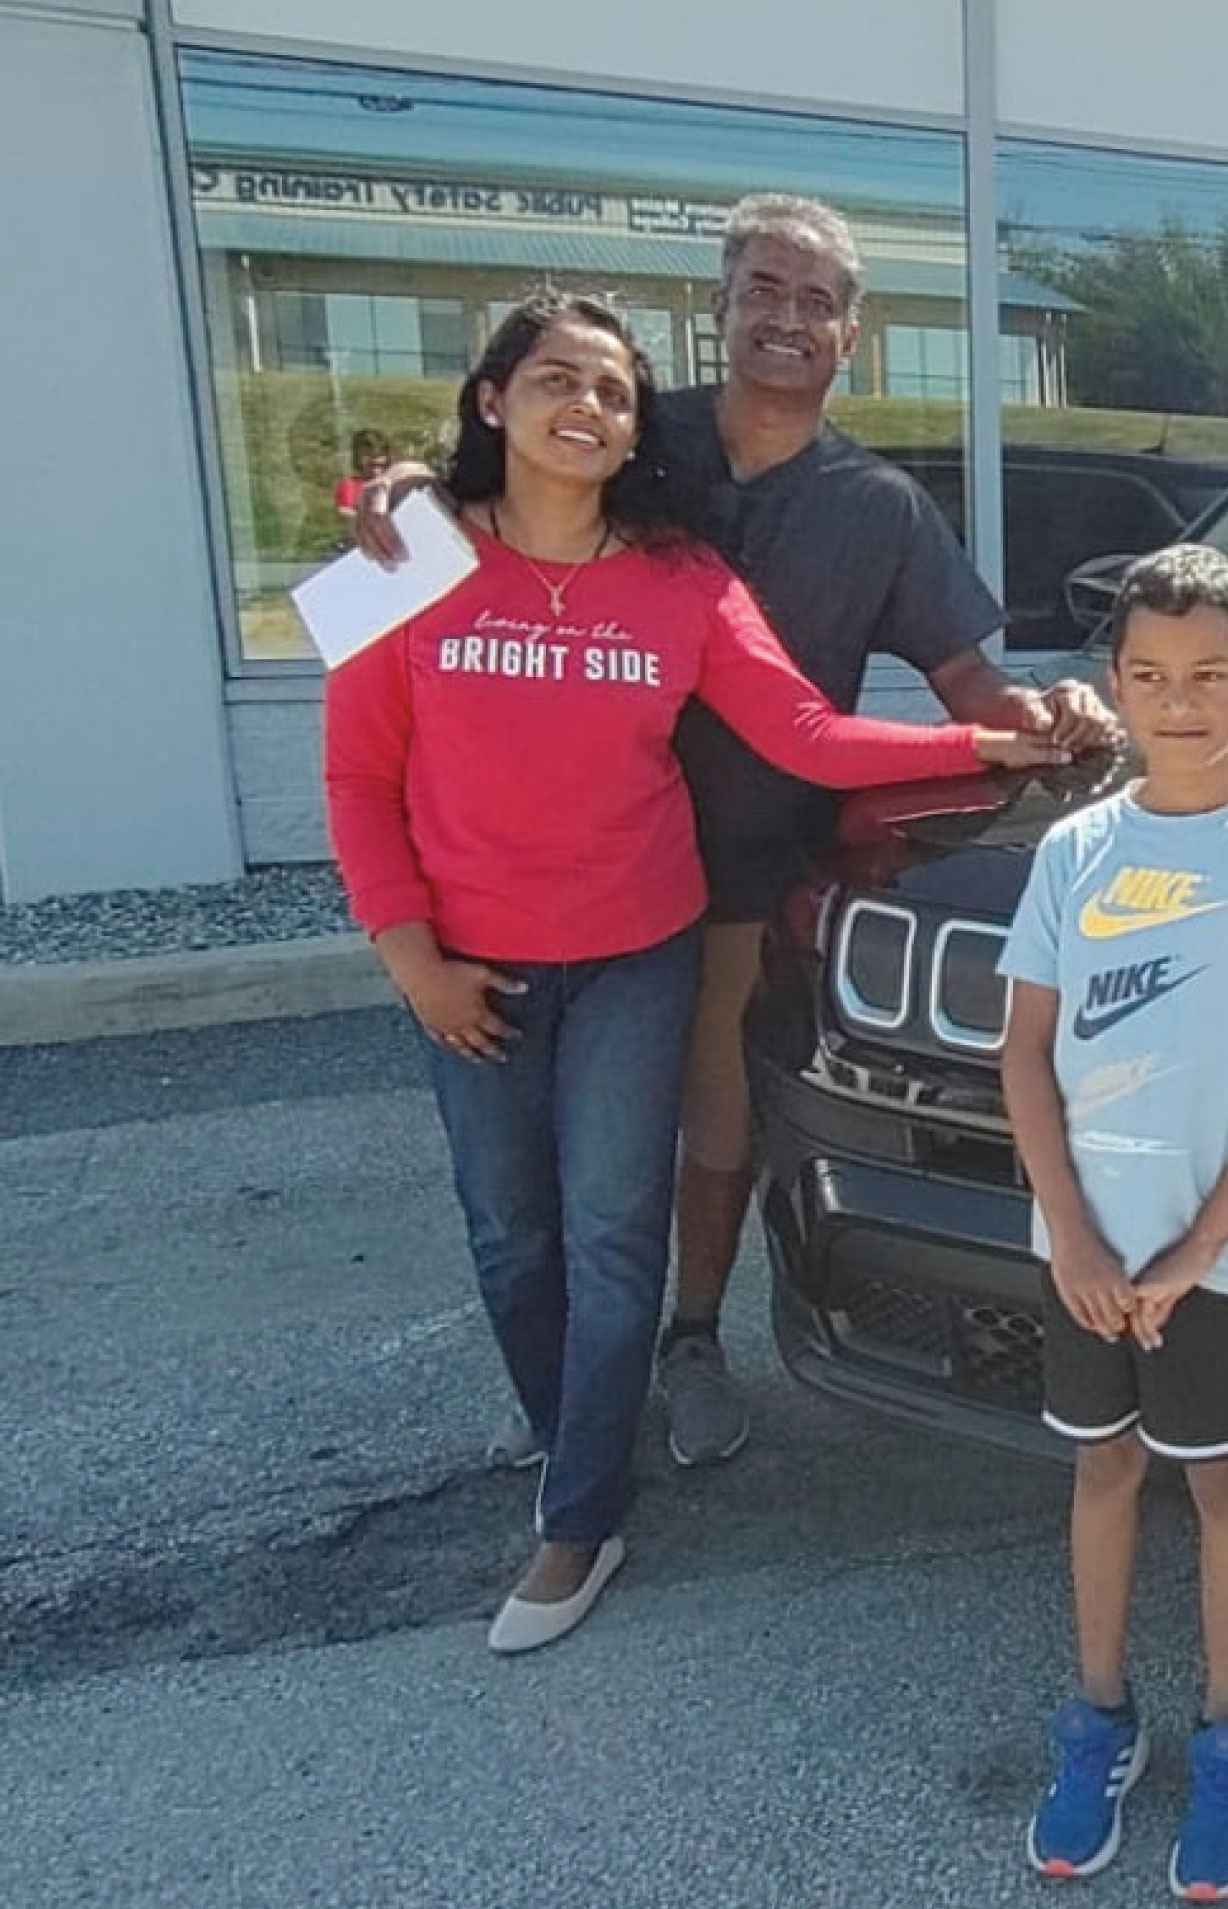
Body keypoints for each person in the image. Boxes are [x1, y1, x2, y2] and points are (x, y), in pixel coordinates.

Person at [323, 291, 1066, 1655]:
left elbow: (809, 732)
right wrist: (411, 960)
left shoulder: (681, 578)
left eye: (610, 391)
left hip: (634, 950)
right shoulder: (405, 557)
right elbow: (359, 784)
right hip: (466, 964)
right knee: (510, 1238)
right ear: (493, 402)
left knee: (614, 1233)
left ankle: (579, 1519)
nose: (586, 409)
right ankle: (580, 1449)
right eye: (556, 381)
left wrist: (987, 751)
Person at [998, 543, 1228, 1903]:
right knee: (1103, 1473)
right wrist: (1079, 1237)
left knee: (1220, 1480)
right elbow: (1024, 1055)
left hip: (1218, 1260)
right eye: (1152, 676)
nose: (1181, 701)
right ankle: (1099, 1720)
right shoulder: (1075, 850)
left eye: (1211, 676)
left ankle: (1227, 1735)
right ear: (1116, 685)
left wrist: (1202, 1248)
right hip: (1086, 1254)